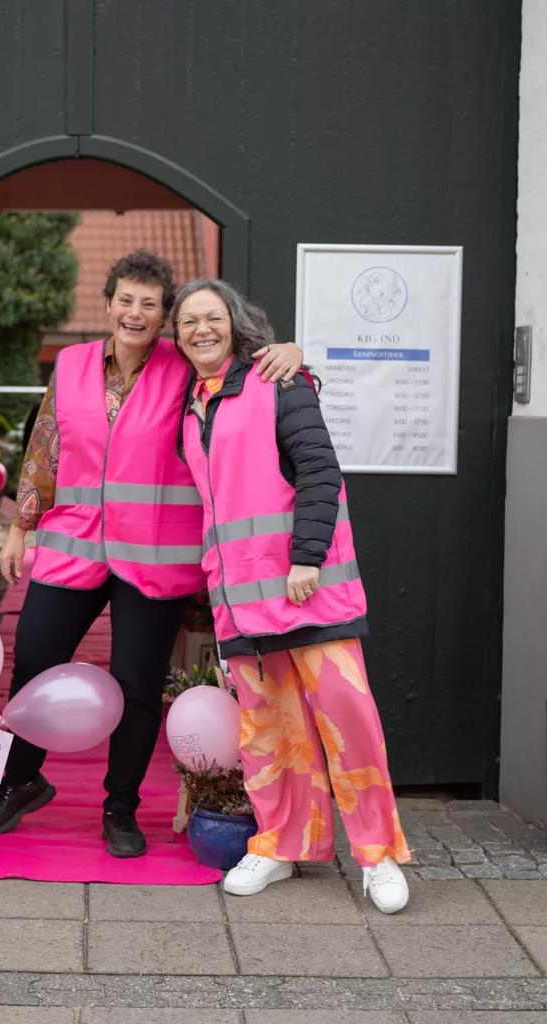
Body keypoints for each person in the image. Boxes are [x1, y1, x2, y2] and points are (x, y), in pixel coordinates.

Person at [0, 250, 303, 857]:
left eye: (149, 305)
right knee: (33, 665)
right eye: (125, 300)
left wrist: (296, 354)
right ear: (108, 305)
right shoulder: (71, 365)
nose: (135, 313)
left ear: (164, 317)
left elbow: (246, 374)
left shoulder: (184, 368)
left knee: (136, 684)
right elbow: (44, 445)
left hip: (153, 553)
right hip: (72, 544)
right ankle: (19, 782)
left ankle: (120, 808)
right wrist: (21, 525)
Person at [172, 278, 411, 913]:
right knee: (268, 732)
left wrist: (306, 557)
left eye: (212, 317)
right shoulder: (192, 407)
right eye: (188, 321)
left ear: (235, 322)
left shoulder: (280, 380)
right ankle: (280, 844)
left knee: (348, 724)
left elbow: (319, 470)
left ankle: (378, 856)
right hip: (243, 604)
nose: (201, 329)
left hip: (307, 593)